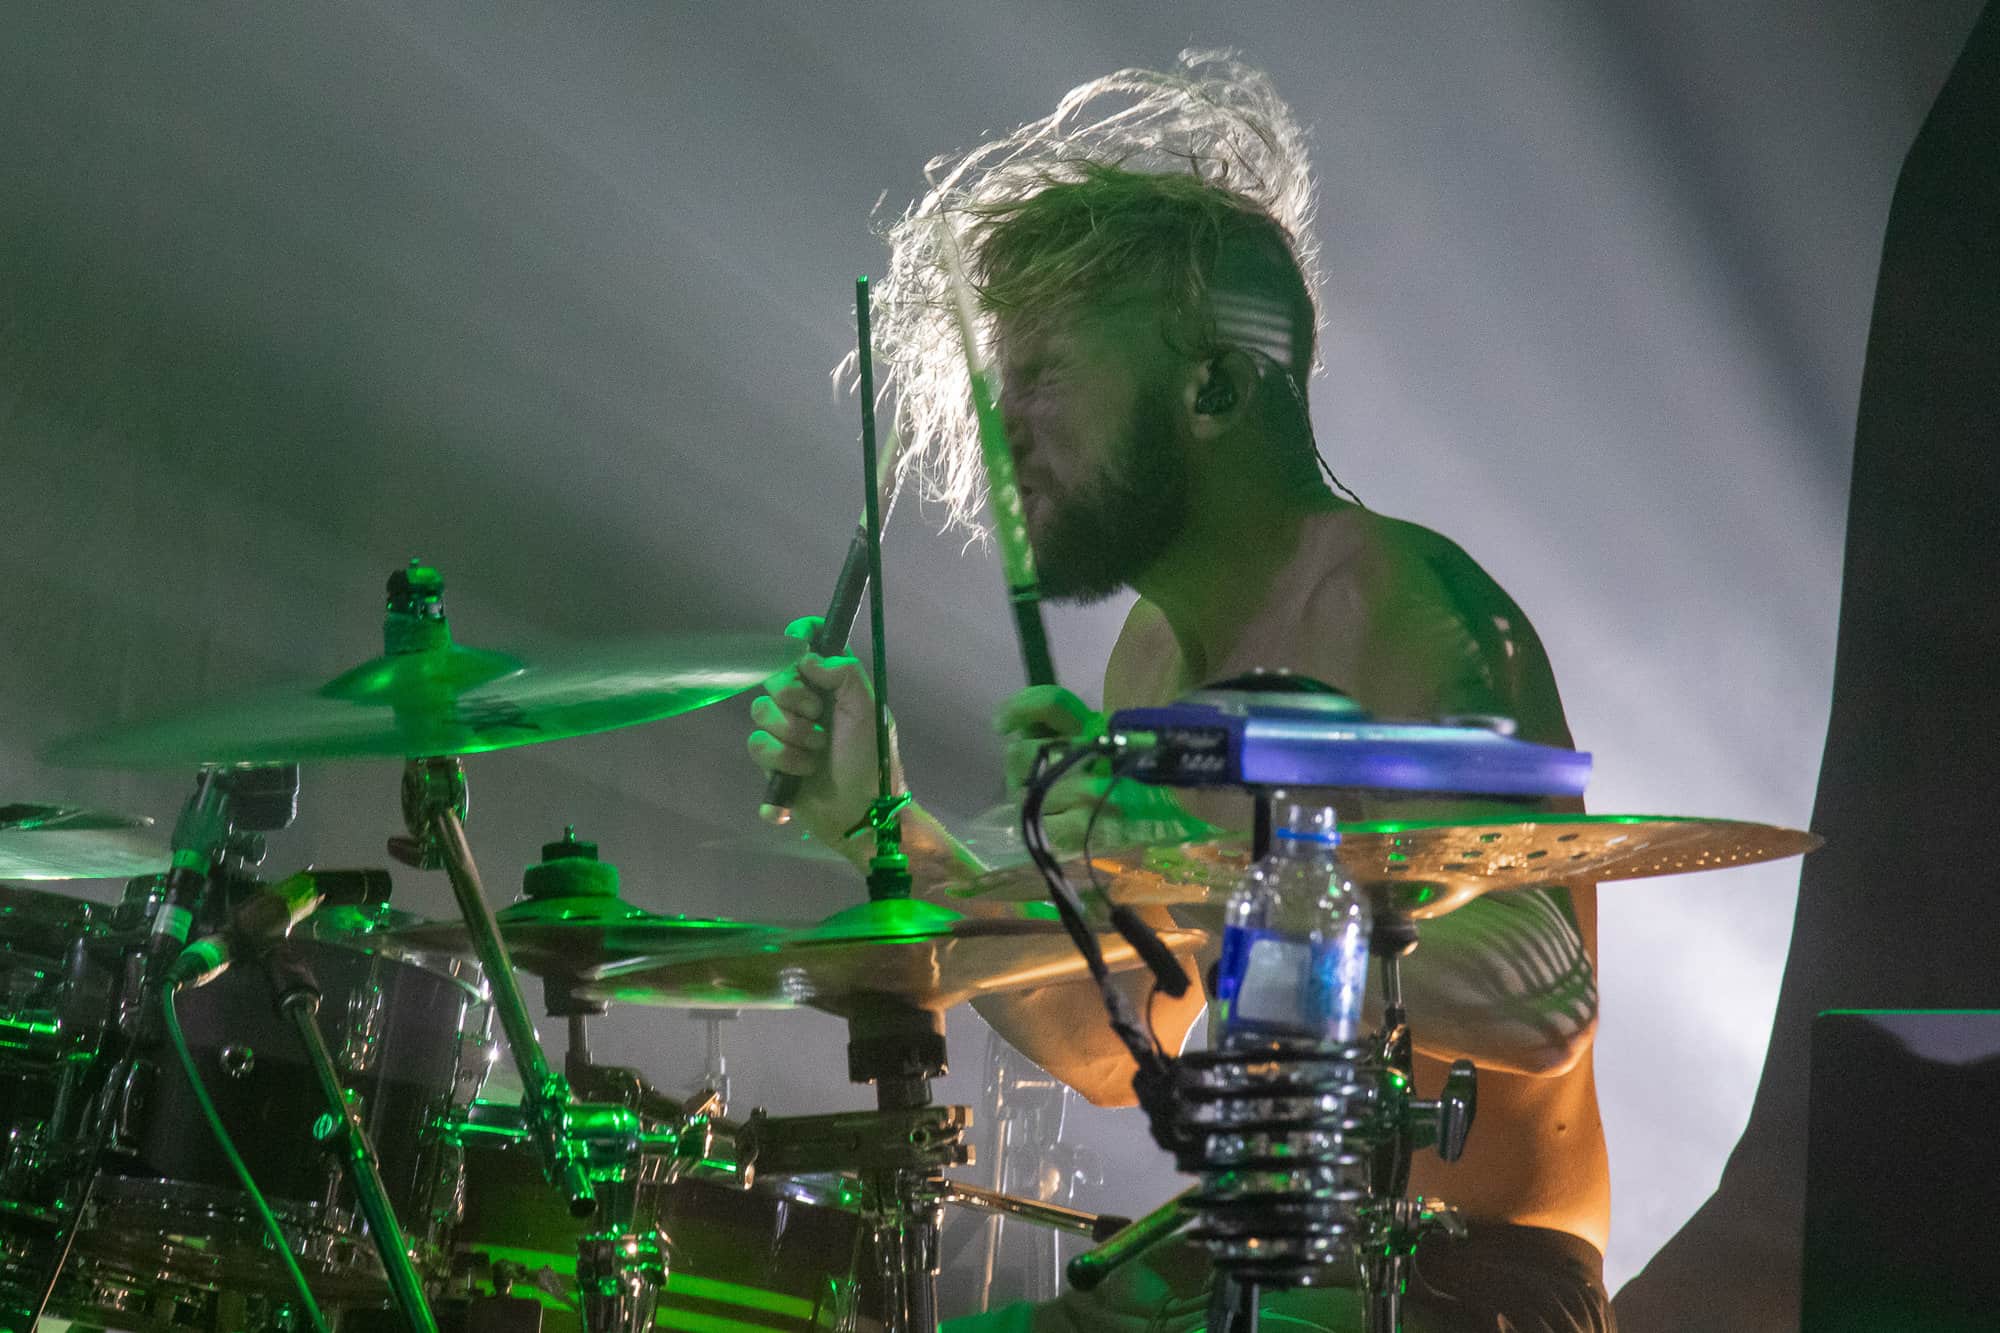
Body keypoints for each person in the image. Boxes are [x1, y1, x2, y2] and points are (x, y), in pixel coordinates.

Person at [746, 54, 1611, 1333]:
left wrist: (1202, 855)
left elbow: (1542, 1011)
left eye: (1043, 379)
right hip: (1247, 1259)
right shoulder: (1151, 657)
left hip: (1465, 1279)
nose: (1001, 430)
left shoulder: (1409, 608)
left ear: (1210, 385)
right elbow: (1116, 1048)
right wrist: (886, 829)